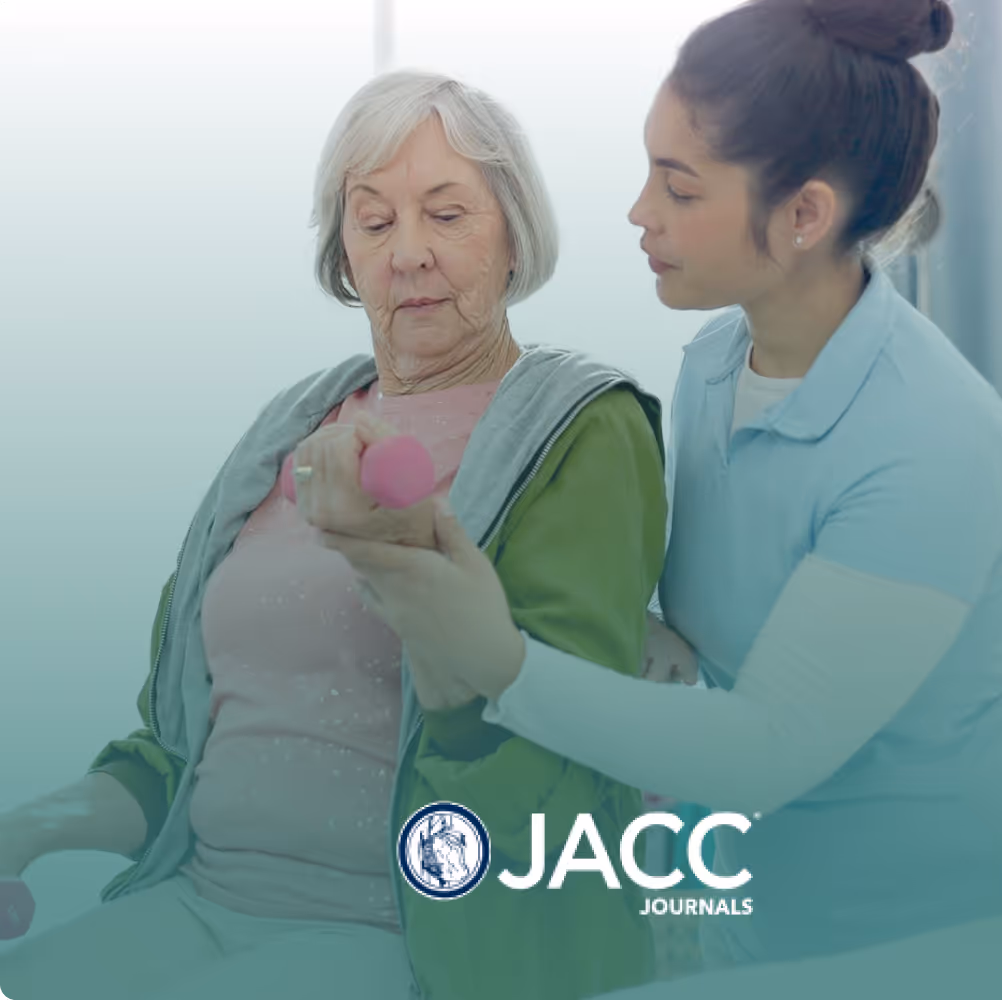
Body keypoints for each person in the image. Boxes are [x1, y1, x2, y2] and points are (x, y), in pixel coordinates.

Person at [317, 0, 1002, 972]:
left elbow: (766, 746)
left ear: (804, 215)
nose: (639, 212)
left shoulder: (931, 436)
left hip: (967, 927)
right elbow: (722, 636)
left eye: (680, 188)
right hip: (774, 919)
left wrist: (503, 662)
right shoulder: (715, 366)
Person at [0, 71, 667, 1000]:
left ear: (514, 234)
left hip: (411, 931)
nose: (409, 255)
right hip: (201, 896)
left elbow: (556, 761)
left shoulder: (583, 426)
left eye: (447, 215)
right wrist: (27, 830)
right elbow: (179, 746)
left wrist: (400, 564)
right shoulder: (291, 425)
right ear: (343, 255)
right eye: (375, 221)